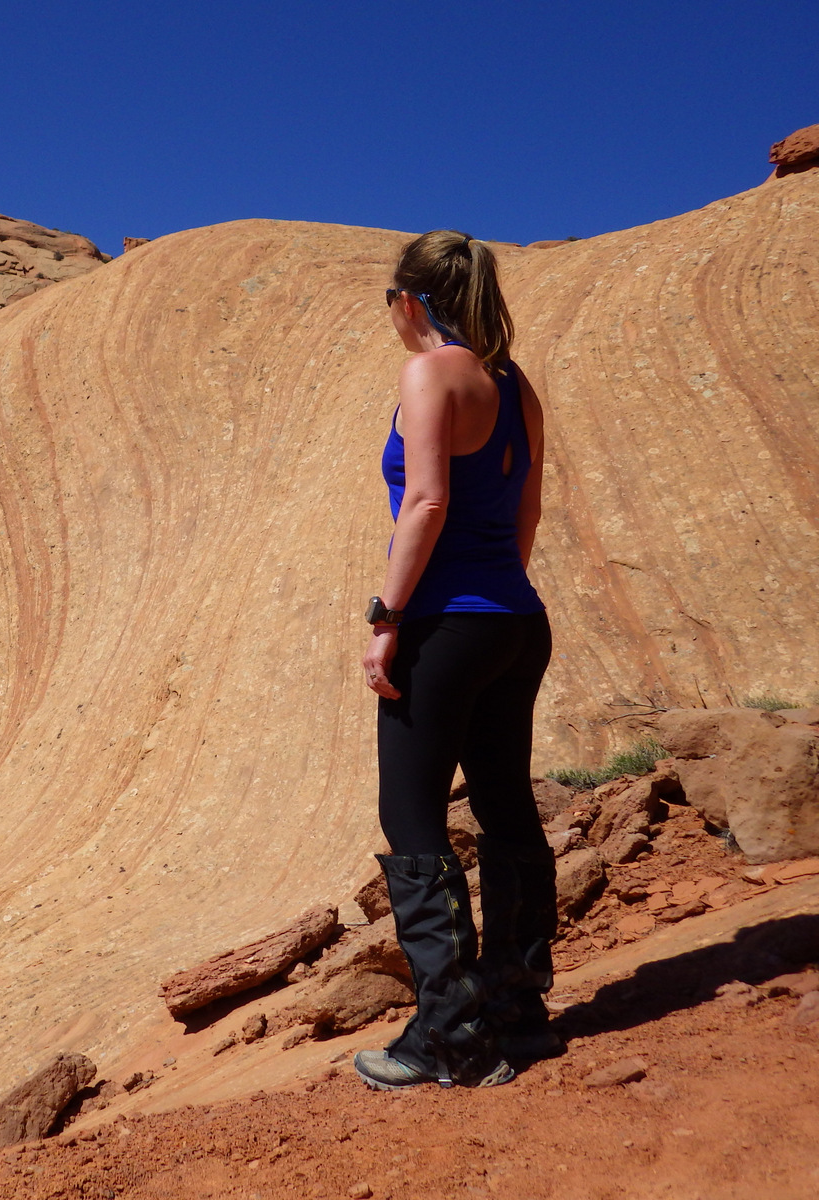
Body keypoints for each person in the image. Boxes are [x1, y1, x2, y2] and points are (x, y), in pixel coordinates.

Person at [352, 230, 558, 1091]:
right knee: (507, 809)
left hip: (444, 626)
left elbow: (427, 502)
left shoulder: (428, 373)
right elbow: (528, 511)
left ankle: (453, 1039)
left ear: (410, 300)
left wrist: (388, 618)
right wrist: (499, 594)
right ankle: (517, 1011)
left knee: (411, 821)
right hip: (516, 619)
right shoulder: (515, 384)